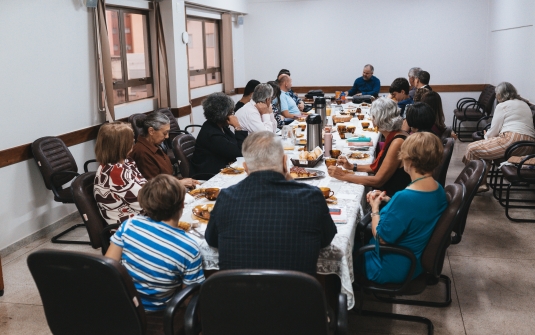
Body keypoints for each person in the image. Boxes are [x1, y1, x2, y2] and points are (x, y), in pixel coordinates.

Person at [205, 131, 337, 276]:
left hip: (238, 296)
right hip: (297, 296)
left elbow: (212, 240)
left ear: (245, 167)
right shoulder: (312, 198)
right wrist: (289, 179)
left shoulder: (225, 198)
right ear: (284, 161)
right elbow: (326, 240)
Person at [357, 132, 448, 284]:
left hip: (390, 266)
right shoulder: (438, 189)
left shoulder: (405, 198)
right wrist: (389, 200)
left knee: (344, 251)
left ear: (410, 161)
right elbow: (416, 210)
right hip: (413, 263)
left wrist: (374, 208)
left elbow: (381, 237)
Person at [105, 174, 205, 312]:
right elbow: (189, 299)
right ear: (182, 203)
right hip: (158, 311)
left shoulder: (130, 224)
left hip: (125, 303)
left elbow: (109, 266)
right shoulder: (189, 248)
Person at [328, 98, 411, 196]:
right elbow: (380, 166)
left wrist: (343, 175)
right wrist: (352, 167)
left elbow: (377, 181)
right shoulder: (397, 134)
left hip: (393, 198)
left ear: (376, 119)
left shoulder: (398, 142)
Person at [463, 82, 535, 192]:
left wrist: (486, 136)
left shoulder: (502, 106)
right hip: (529, 145)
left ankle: (473, 183)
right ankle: (481, 183)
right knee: (483, 151)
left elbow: (494, 130)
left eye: (497, 93)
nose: (496, 96)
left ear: (501, 94)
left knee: (472, 149)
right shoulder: (524, 104)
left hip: (512, 141)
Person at [93, 122, 146, 225]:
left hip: (140, 217)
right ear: (122, 145)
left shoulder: (126, 162)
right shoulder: (115, 173)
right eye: (131, 140)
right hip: (129, 226)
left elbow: (144, 185)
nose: (133, 142)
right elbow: (144, 205)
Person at [129, 112, 198, 188]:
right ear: (151, 131)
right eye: (164, 133)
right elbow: (153, 186)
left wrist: (186, 181)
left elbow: (166, 176)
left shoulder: (154, 146)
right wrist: (179, 183)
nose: (167, 137)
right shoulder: (142, 152)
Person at [191, 92, 248, 177]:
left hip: (221, 168)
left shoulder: (221, 126)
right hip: (208, 174)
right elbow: (239, 152)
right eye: (230, 113)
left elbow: (239, 146)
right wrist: (238, 127)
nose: (233, 115)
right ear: (222, 115)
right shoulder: (212, 134)